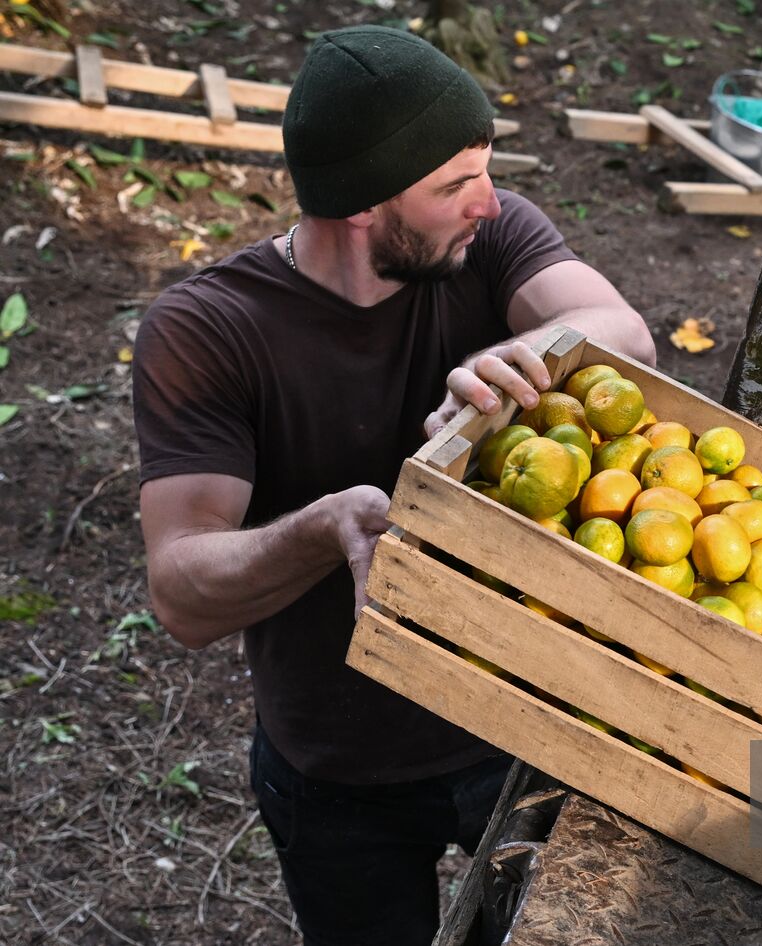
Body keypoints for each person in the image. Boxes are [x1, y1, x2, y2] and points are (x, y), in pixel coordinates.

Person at [132, 25, 656, 945]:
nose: (488, 204)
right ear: (362, 206)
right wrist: (327, 526)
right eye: (455, 185)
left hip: (519, 729)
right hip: (339, 771)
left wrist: (516, 360)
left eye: (485, 171)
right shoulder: (208, 330)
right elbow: (181, 592)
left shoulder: (490, 242)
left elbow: (622, 330)